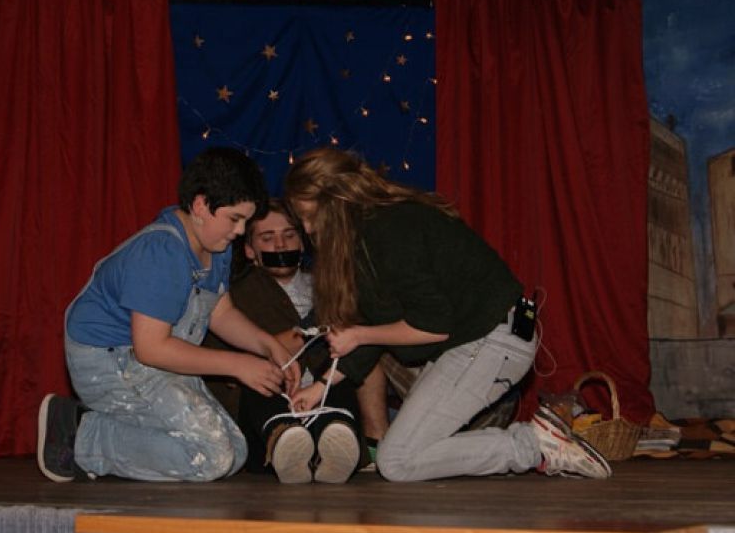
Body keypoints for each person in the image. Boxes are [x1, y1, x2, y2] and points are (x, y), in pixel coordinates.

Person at [283, 147, 612, 482]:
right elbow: (374, 326)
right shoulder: (369, 232)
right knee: (413, 449)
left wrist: (359, 335)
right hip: (474, 340)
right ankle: (531, 443)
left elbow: (431, 325)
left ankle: (535, 445)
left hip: (492, 338)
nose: (308, 229)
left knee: (397, 461)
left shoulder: (389, 230)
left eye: (311, 216)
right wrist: (319, 388)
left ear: (338, 202)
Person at [37, 147, 299, 483]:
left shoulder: (215, 246)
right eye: (235, 219)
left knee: (236, 452)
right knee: (212, 458)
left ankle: (110, 430)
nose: (239, 230)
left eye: (245, 221)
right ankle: (81, 435)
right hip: (111, 362)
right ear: (201, 205)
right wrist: (238, 364)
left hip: (150, 360)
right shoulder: (161, 252)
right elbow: (151, 349)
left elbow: (221, 313)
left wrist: (268, 346)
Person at [228, 199, 365, 484]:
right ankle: (284, 440)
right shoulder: (233, 297)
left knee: (341, 365)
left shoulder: (331, 285)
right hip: (270, 400)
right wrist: (296, 339)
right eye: (268, 238)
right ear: (250, 249)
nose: (280, 245)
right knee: (260, 374)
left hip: (323, 388)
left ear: (302, 243)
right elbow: (227, 360)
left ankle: (336, 438)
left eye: (289, 235)